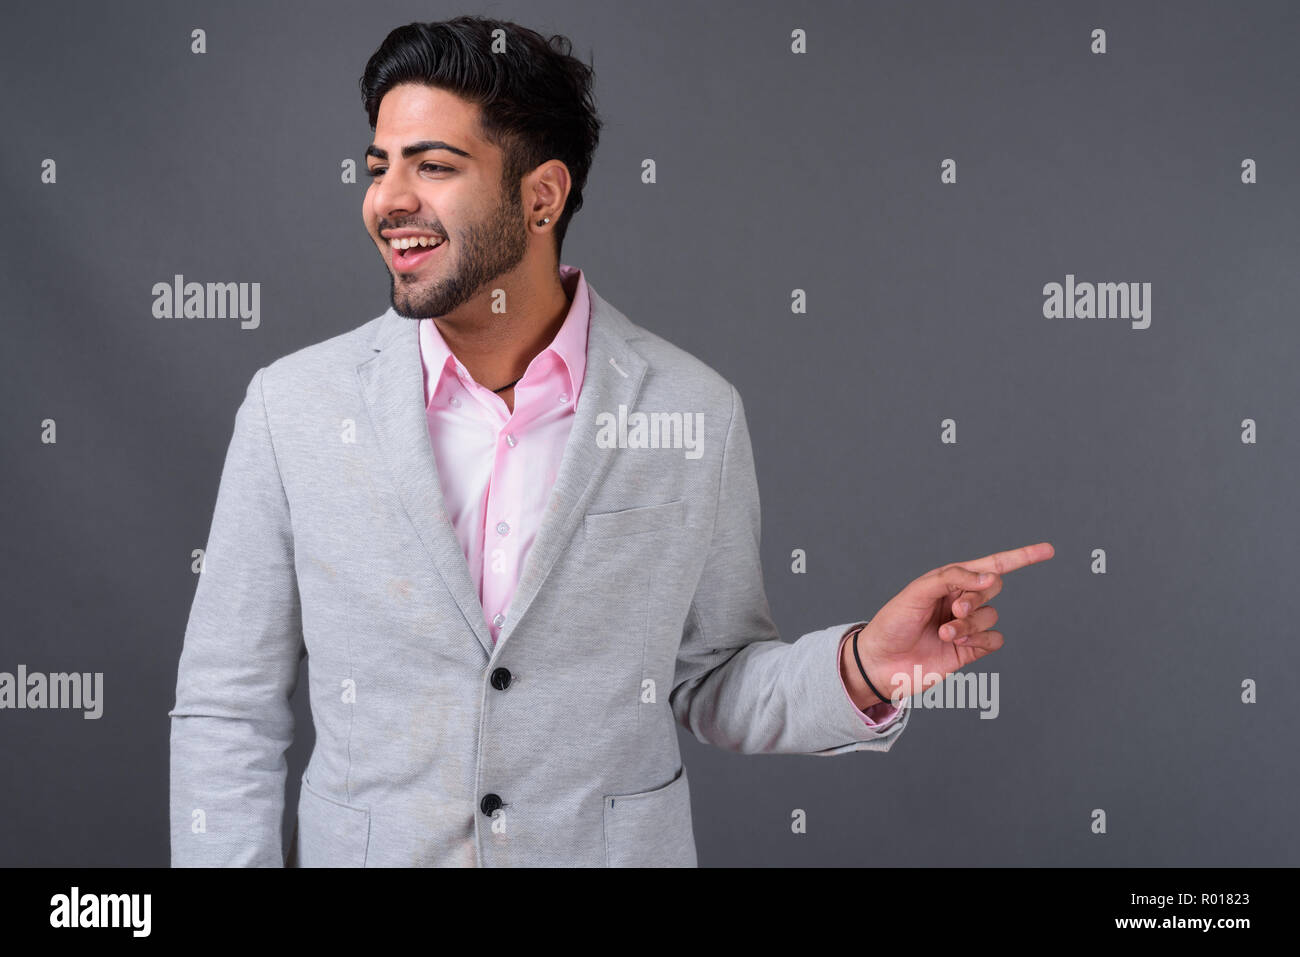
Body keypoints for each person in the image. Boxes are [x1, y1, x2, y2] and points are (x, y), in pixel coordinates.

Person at [168, 15, 1053, 867]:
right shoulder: (293, 408)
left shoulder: (693, 409)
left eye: (433, 166)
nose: (388, 200)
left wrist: (864, 666)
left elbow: (713, 678)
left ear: (542, 194)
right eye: (379, 166)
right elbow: (227, 709)